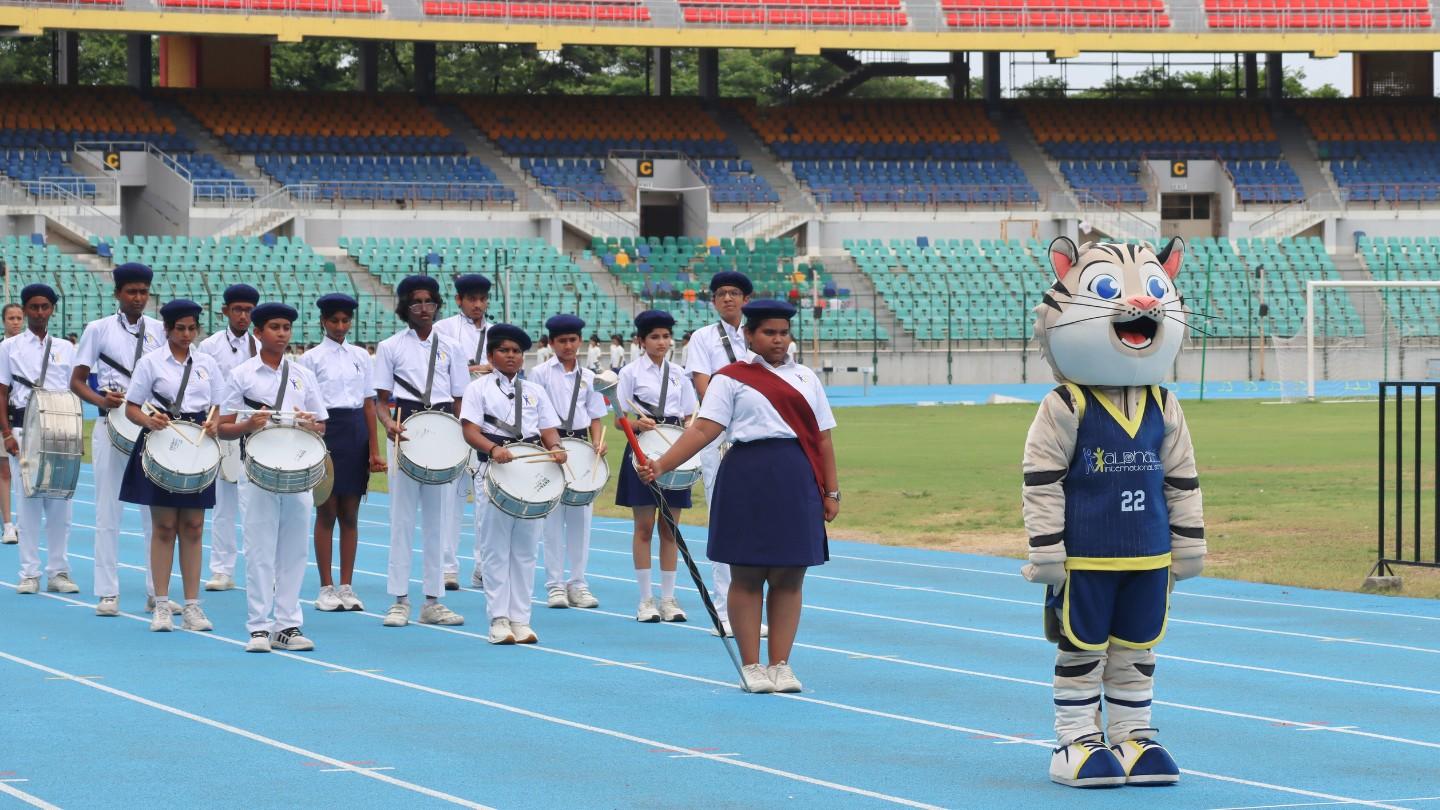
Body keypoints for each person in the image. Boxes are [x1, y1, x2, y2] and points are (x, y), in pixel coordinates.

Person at [638, 299, 839, 694]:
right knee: (747, 575)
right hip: (747, 474)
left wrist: (831, 490)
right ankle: (752, 665)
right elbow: (703, 430)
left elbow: (823, 438)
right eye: (769, 332)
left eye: (783, 332)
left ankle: (781, 664)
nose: (778, 340)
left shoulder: (806, 378)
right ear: (749, 335)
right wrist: (662, 464)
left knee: (790, 573)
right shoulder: (729, 378)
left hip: (796, 476)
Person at [219, 303, 327, 653]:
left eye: (286, 328)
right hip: (258, 469)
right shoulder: (241, 375)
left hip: (298, 469)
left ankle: (288, 624)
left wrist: (312, 424)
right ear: (258, 332)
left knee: (294, 551)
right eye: (275, 327)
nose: (282, 334)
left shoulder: (302, 375)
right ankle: (259, 626)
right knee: (259, 550)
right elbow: (223, 428)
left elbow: (321, 424)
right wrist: (248, 425)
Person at [120, 299, 227, 633]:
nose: (186, 334)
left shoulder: (207, 363)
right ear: (167, 329)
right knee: (164, 527)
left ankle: (193, 606)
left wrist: (214, 424)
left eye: (191, 328)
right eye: (180, 328)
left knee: (194, 526)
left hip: (198, 445)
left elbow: (218, 408)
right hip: (162, 442)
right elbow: (131, 408)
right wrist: (150, 423)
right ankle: (163, 605)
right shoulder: (150, 363)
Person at [70, 264, 168, 616]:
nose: (138, 297)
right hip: (110, 425)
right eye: (131, 291)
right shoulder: (97, 329)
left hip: (148, 425)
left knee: (154, 512)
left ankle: (156, 591)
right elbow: (78, 380)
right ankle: (107, 592)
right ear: (118, 294)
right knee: (107, 511)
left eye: (143, 291)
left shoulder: (160, 330)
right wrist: (100, 399)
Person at [461, 324, 566, 644]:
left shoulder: (535, 391)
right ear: (491, 355)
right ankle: (498, 618)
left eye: (517, 352)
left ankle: (521, 618)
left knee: (525, 550)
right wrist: (493, 449)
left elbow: (548, 430)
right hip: (494, 470)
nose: (511, 356)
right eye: (504, 351)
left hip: (529, 475)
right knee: (495, 549)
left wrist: (557, 448)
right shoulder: (477, 389)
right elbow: (469, 430)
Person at [374, 275, 468, 628]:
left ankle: (433, 600)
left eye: (430, 302)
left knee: (437, 519)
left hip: (443, 431)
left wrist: (461, 439)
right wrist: (388, 425)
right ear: (405, 308)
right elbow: (381, 402)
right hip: (406, 430)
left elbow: (460, 399)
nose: (424, 309)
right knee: (401, 518)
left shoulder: (453, 348)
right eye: (416, 303)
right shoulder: (390, 347)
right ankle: (399, 599)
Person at [683, 270, 757, 638]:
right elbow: (702, 386)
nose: (727, 298)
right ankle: (725, 610)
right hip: (720, 436)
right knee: (724, 518)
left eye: (734, 293)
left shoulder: (757, 334)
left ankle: (750, 607)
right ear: (713, 301)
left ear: (746, 298)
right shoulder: (703, 338)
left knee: (756, 521)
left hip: (756, 437)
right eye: (720, 294)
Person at [299, 293, 384, 613]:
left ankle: (347, 585)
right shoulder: (310, 358)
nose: (340, 326)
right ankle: (325, 586)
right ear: (323, 321)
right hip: (325, 430)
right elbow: (308, 403)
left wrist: (374, 450)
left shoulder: (361, 356)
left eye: (345, 320)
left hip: (355, 433)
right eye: (334, 320)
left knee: (350, 513)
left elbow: (368, 403)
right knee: (326, 510)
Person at [616, 310, 697, 624]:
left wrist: (687, 431)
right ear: (641, 341)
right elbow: (619, 417)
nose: (661, 342)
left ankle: (668, 598)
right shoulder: (630, 373)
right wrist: (637, 423)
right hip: (641, 449)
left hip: (674, 450)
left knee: (670, 529)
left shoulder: (680, 373)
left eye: (665, 336)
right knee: (644, 527)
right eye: (654, 337)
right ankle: (645, 599)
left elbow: (689, 414)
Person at [0, 285, 79, 597]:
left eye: (45, 307)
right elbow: (2, 393)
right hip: (22, 428)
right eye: (33, 307)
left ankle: (58, 570)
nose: (39, 313)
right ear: (25, 308)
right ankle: (29, 572)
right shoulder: (8, 347)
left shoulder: (66, 348)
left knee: (61, 503)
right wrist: (6, 433)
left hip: (60, 430)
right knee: (28, 503)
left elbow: (75, 386)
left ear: (52, 310)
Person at [530, 315, 607, 610]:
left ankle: (578, 582)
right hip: (550, 447)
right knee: (552, 520)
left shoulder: (589, 378)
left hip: (581, 446)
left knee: (581, 518)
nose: (568, 346)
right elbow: (534, 413)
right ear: (551, 343)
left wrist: (598, 442)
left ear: (580, 342)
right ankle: (555, 585)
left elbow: (596, 417)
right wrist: (550, 446)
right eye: (561, 341)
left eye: (573, 340)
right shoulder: (538, 374)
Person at [196, 283, 259, 592]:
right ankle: (222, 569)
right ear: (225, 311)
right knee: (224, 502)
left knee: (255, 501)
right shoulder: (209, 346)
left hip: (254, 426)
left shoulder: (260, 345)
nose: (243, 316)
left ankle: (259, 568)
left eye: (248, 311)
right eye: (238, 310)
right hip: (222, 424)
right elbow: (204, 386)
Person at [433, 273, 492, 591]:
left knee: (485, 495)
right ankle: (446, 566)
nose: (478, 305)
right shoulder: (443, 330)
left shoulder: (496, 333)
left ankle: (483, 565)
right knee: (450, 497)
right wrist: (471, 370)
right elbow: (438, 371)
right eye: (472, 299)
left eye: (482, 299)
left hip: (486, 424)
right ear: (459, 300)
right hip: (454, 421)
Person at [0, 302, 26, 545]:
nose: (16, 322)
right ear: (3, 321)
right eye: (11, 318)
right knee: (5, 471)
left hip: (26, 418)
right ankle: (8, 525)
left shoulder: (28, 350)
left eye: (19, 317)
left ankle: (22, 521)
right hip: (3, 419)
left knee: (26, 471)